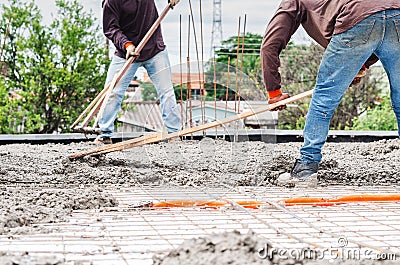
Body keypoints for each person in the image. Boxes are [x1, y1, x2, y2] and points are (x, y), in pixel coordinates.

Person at [261, 0, 400, 186]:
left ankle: (306, 168)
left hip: (357, 17)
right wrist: (357, 65)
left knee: (323, 99)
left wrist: (274, 92)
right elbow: (380, 23)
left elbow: (270, 44)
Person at [95, 0, 181, 144]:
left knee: (167, 92)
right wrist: (126, 45)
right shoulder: (111, 2)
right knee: (112, 92)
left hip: (154, 50)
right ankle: (105, 134)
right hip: (126, 53)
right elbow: (111, 29)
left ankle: (173, 133)